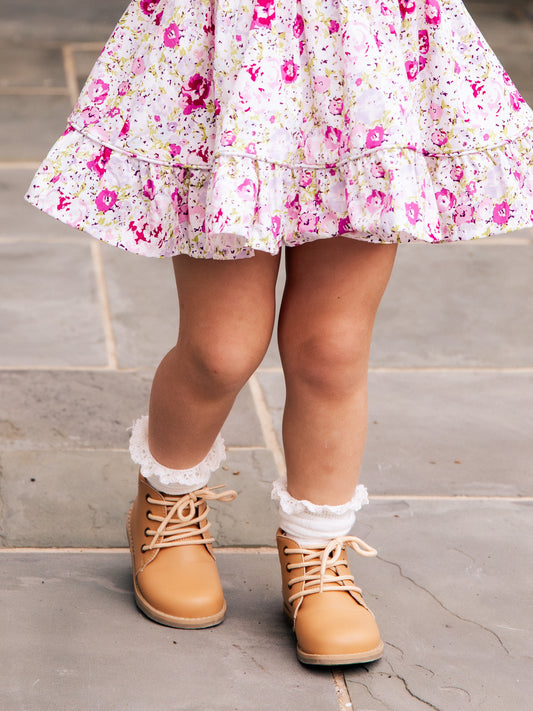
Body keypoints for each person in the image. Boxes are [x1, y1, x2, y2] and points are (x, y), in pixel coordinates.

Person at [26, 0, 533, 666]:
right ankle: (168, 497)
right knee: (220, 351)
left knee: (331, 349)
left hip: (362, 57)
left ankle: (316, 547)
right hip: (233, 54)